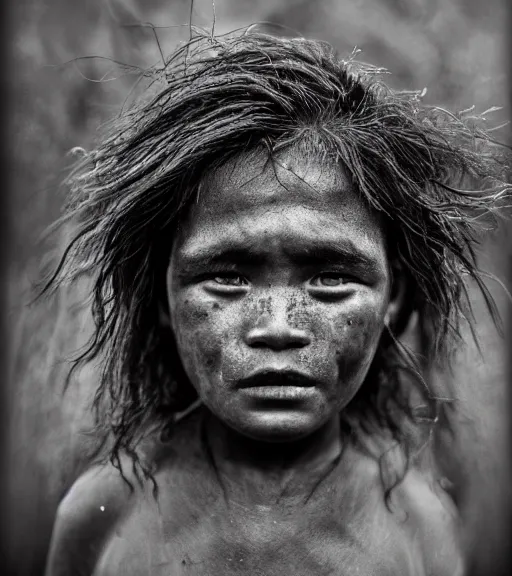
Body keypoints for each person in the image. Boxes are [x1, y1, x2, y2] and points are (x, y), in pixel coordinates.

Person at [43, 27, 510, 576]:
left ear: (394, 296)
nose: (279, 327)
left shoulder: (418, 532)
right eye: (227, 277)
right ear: (162, 297)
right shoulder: (103, 515)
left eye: (332, 279)